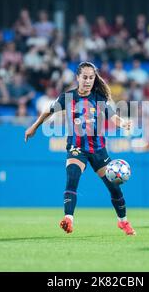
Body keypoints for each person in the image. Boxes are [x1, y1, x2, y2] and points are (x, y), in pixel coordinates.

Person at [25, 62, 136, 235]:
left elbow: (113, 116)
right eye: (85, 77)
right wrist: (34, 127)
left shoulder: (98, 98)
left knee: (114, 188)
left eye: (91, 78)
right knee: (72, 177)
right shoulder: (67, 97)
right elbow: (49, 110)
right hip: (77, 147)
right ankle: (68, 219)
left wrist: (123, 123)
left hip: (98, 150)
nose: (88, 81)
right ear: (78, 78)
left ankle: (123, 222)